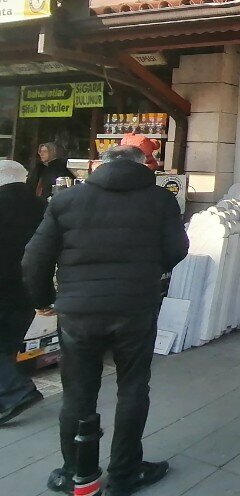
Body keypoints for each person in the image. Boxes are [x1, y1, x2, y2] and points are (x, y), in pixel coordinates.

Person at [22, 145, 188, 495]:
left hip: (78, 312)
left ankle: (78, 473)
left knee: (78, 395)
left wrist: (44, 301)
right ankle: (125, 474)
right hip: (135, 308)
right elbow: (177, 249)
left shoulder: (67, 201)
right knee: (132, 389)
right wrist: (150, 272)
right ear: (144, 165)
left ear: (100, 166)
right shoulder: (159, 200)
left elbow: (34, 259)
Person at [0, 160, 47, 425]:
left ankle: (16, 391)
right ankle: (7, 397)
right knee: (7, 344)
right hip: (28, 287)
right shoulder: (43, 206)